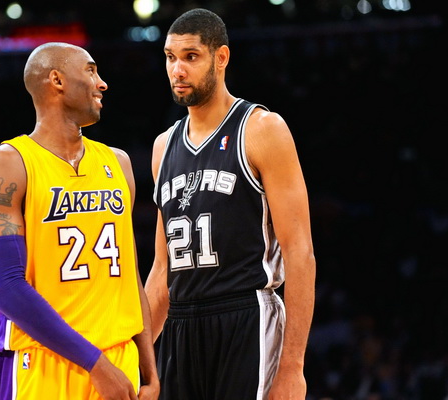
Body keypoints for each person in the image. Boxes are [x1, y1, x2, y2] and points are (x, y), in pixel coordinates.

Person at [144, 8, 316, 400]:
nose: (177, 70)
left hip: (246, 314)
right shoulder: (162, 147)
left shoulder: (261, 129)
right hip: (181, 325)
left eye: (190, 56)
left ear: (220, 57)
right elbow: (161, 271)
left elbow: (299, 252)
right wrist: (136, 363)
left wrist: (293, 368)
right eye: (170, 57)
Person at [0, 42, 159, 400]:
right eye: (90, 70)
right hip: (41, 363)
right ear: (56, 80)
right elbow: (7, 286)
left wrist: (149, 370)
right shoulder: (7, 164)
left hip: (119, 361)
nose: (102, 83)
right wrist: (94, 364)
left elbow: (129, 275)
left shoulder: (118, 163)